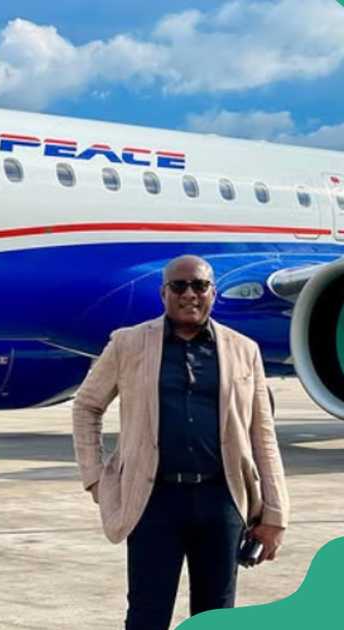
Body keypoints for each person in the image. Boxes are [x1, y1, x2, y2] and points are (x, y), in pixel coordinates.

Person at [72, 255, 289, 630]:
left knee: (215, 616)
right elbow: (87, 406)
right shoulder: (128, 344)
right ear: (163, 293)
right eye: (179, 286)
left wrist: (275, 514)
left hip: (222, 501)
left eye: (199, 286)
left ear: (213, 293)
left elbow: (262, 435)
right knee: (146, 615)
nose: (190, 294)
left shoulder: (243, 350)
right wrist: (95, 476)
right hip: (154, 502)